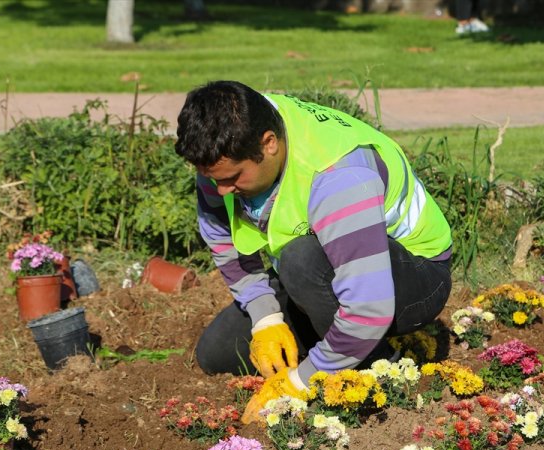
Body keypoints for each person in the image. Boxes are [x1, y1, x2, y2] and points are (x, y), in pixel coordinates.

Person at [174, 81, 454, 423]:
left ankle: (379, 367)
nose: (220, 190)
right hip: (327, 271)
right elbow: (223, 237)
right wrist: (266, 319)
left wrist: (299, 382)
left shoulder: (339, 177)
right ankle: (335, 341)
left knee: (301, 259)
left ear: (269, 144)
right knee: (217, 353)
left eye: (232, 178)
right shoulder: (230, 142)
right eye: (211, 178)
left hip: (412, 279)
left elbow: (369, 308)